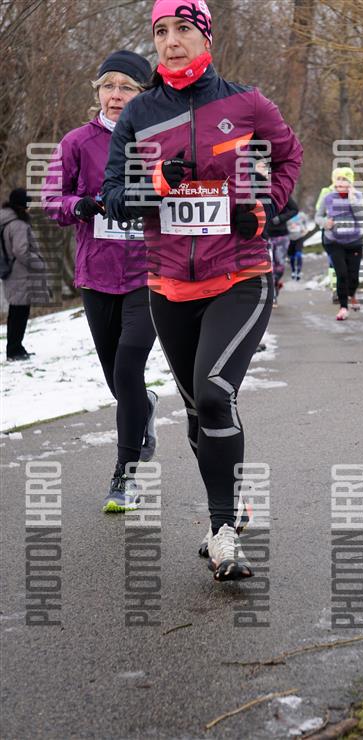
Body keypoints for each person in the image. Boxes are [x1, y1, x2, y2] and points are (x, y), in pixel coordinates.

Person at [102, 0, 302, 580]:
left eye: (184, 29)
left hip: (240, 275)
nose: (171, 41)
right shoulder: (139, 114)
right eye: (162, 31)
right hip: (167, 284)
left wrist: (264, 207)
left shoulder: (247, 103)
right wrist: (155, 186)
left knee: (214, 394)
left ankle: (222, 532)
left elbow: (288, 157)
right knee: (196, 412)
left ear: (205, 36)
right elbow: (113, 196)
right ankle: (231, 502)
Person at [42, 50, 158, 513]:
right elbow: (51, 200)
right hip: (97, 275)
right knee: (118, 379)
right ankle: (144, 407)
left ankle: (124, 476)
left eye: (126, 87)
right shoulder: (76, 142)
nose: (116, 95)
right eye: (108, 86)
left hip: (150, 274)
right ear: (98, 92)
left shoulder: (158, 140)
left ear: (142, 95)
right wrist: (81, 205)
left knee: (128, 367)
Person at [1, 188, 49, 360]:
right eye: (27, 204)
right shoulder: (18, 225)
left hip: (11, 272)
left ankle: (16, 348)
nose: (29, 208)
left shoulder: (6, 221)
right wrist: (39, 263)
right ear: (22, 206)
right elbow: (21, 251)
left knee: (16, 313)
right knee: (19, 314)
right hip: (20, 274)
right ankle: (14, 351)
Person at [315, 167, 363, 321]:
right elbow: (318, 216)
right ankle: (343, 307)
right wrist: (325, 223)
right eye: (338, 179)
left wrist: (352, 199)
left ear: (350, 182)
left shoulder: (358, 196)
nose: (341, 183)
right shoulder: (328, 197)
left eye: (344, 180)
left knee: (354, 277)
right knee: (341, 274)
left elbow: (361, 217)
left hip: (354, 241)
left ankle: (351, 294)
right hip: (334, 241)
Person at [267, 195, 298, 304]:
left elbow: (295, 210)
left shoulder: (281, 193)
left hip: (281, 236)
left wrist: (280, 218)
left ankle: (275, 285)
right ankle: (272, 294)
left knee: (279, 265)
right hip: (265, 236)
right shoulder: (258, 191)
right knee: (268, 265)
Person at [287, 210, 309, 280]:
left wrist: (305, 229)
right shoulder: (286, 215)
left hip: (299, 237)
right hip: (290, 239)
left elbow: (306, 222)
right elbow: (284, 226)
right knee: (292, 257)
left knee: (298, 254)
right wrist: (290, 227)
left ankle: (299, 272)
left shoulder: (301, 215)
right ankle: (293, 271)